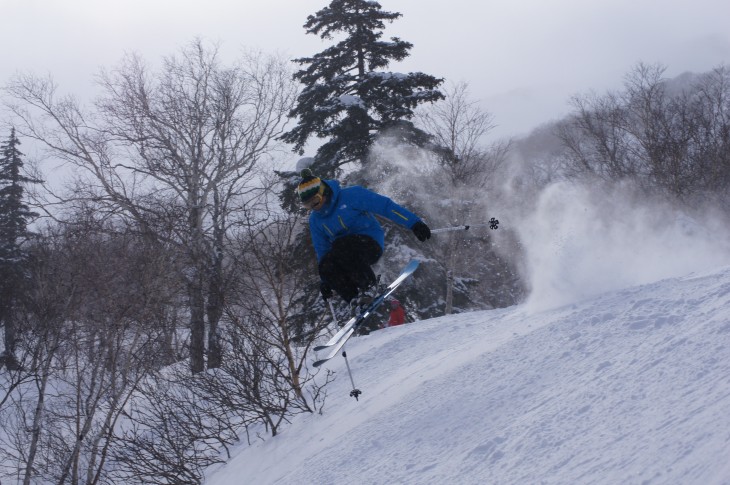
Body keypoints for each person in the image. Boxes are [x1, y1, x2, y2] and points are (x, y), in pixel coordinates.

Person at [297, 168, 431, 306]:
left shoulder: (351, 195)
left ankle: (370, 287)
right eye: (308, 205)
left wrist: (414, 223)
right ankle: (355, 300)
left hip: (369, 243)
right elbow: (322, 250)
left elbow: (385, 206)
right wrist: (326, 280)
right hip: (344, 254)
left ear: (323, 191)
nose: (314, 207)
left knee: (341, 245)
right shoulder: (315, 220)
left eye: (315, 201)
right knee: (326, 264)